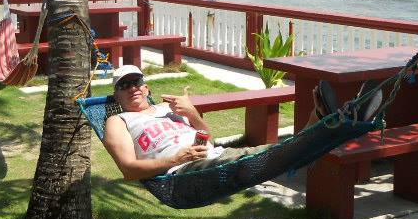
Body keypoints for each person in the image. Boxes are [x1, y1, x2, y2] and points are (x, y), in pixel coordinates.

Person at [103, 65, 300, 180]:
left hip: (216, 156)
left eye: (136, 83)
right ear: (116, 96)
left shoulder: (169, 108)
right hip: (183, 173)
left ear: (146, 89)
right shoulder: (118, 121)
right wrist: (178, 159)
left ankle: (308, 136)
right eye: (124, 85)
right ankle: (308, 136)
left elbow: (209, 140)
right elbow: (128, 170)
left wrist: (193, 114)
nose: (132, 88)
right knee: (261, 157)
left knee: (270, 152)